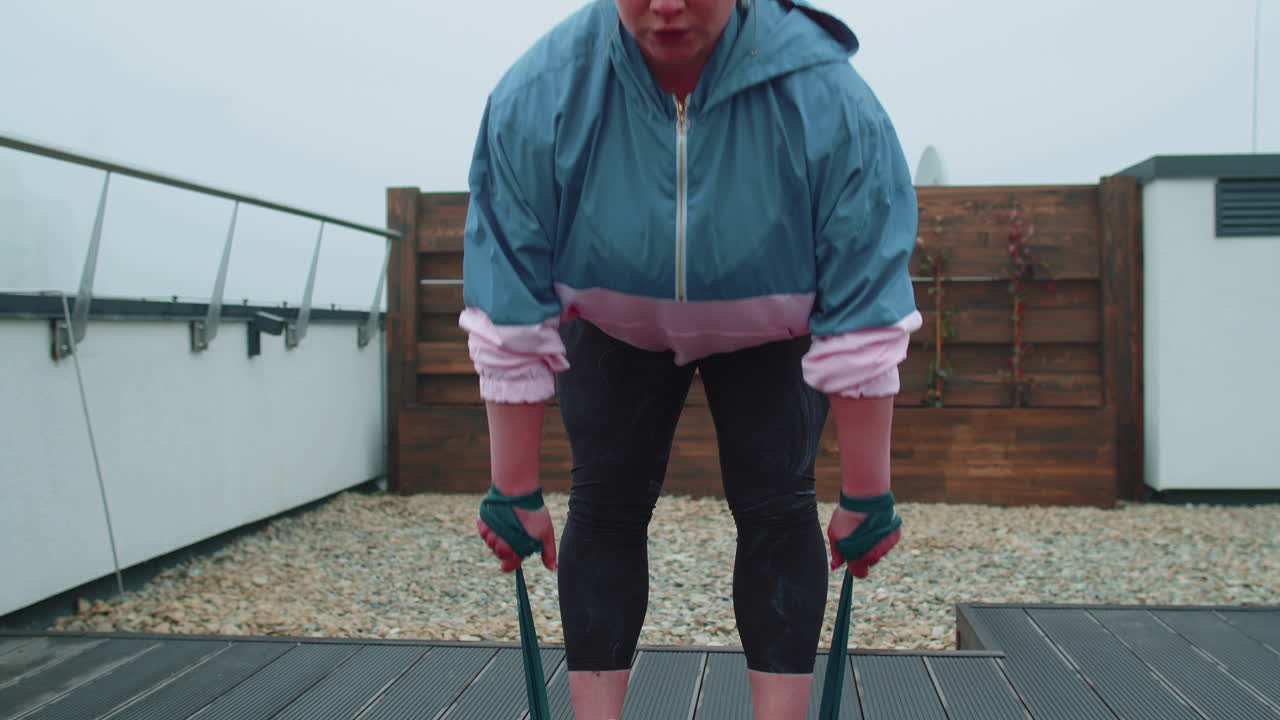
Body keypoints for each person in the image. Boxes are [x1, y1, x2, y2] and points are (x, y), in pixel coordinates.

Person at [462, 0, 920, 717]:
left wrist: (867, 492)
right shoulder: (539, 94)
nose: (668, 5)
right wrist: (513, 486)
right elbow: (509, 283)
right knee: (605, 507)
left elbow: (864, 287)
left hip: (770, 323)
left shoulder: (828, 96)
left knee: (778, 508)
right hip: (613, 319)